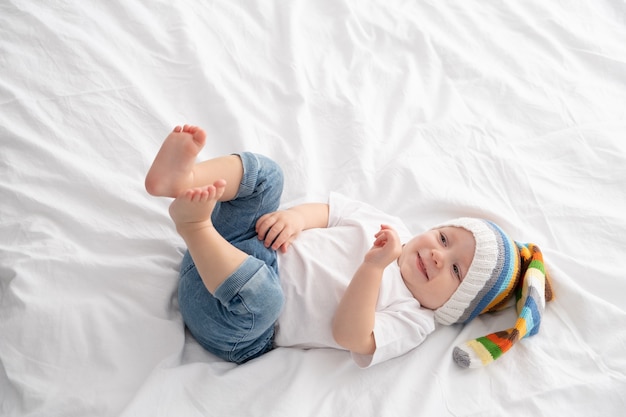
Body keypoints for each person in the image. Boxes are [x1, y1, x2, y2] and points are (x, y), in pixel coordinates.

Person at [145, 125, 553, 369]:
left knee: (266, 298)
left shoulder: (415, 320)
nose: (436, 255)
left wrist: (374, 269)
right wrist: (295, 220)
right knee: (270, 178)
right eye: (445, 239)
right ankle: (182, 180)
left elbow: (349, 334)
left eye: (456, 271)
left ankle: (194, 225)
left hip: (234, 319)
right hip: (237, 250)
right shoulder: (390, 225)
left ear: (455, 306)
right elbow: (328, 212)